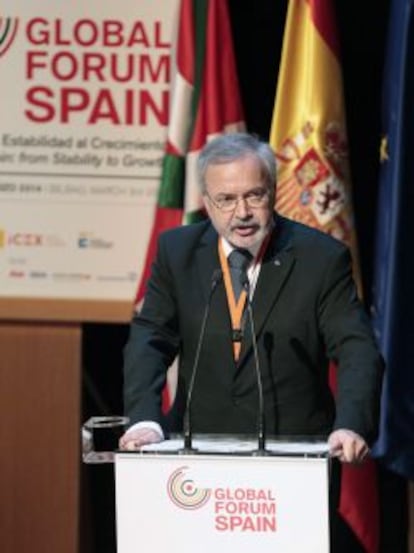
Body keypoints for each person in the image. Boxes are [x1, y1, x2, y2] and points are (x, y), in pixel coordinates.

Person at [119, 132, 383, 466]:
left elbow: (355, 348)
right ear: (206, 200)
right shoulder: (178, 252)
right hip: (195, 451)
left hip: (294, 454)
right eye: (226, 199)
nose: (241, 212)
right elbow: (149, 339)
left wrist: (350, 425)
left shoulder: (320, 258)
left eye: (254, 196)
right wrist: (145, 418)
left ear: (272, 191)